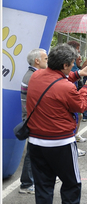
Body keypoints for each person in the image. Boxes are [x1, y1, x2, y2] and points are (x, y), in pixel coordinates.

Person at [27, 43, 87, 204]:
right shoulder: (67, 87)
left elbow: (54, 80)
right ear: (66, 65)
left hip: (36, 142)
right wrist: (86, 87)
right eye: (72, 67)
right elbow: (81, 106)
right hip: (60, 144)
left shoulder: (36, 76)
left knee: (43, 186)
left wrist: (78, 74)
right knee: (72, 183)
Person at [19, 48, 48, 195]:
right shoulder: (33, 77)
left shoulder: (33, 75)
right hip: (33, 119)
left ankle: (33, 180)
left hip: (33, 118)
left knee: (37, 150)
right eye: (45, 59)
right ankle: (26, 183)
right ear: (37, 61)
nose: (47, 61)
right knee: (33, 152)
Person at [66, 41, 87, 154]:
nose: (79, 51)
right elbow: (72, 74)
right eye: (78, 48)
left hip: (74, 87)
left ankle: (75, 136)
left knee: (78, 116)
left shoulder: (73, 59)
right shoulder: (67, 59)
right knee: (77, 114)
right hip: (71, 89)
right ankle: (72, 144)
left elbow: (76, 72)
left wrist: (83, 66)